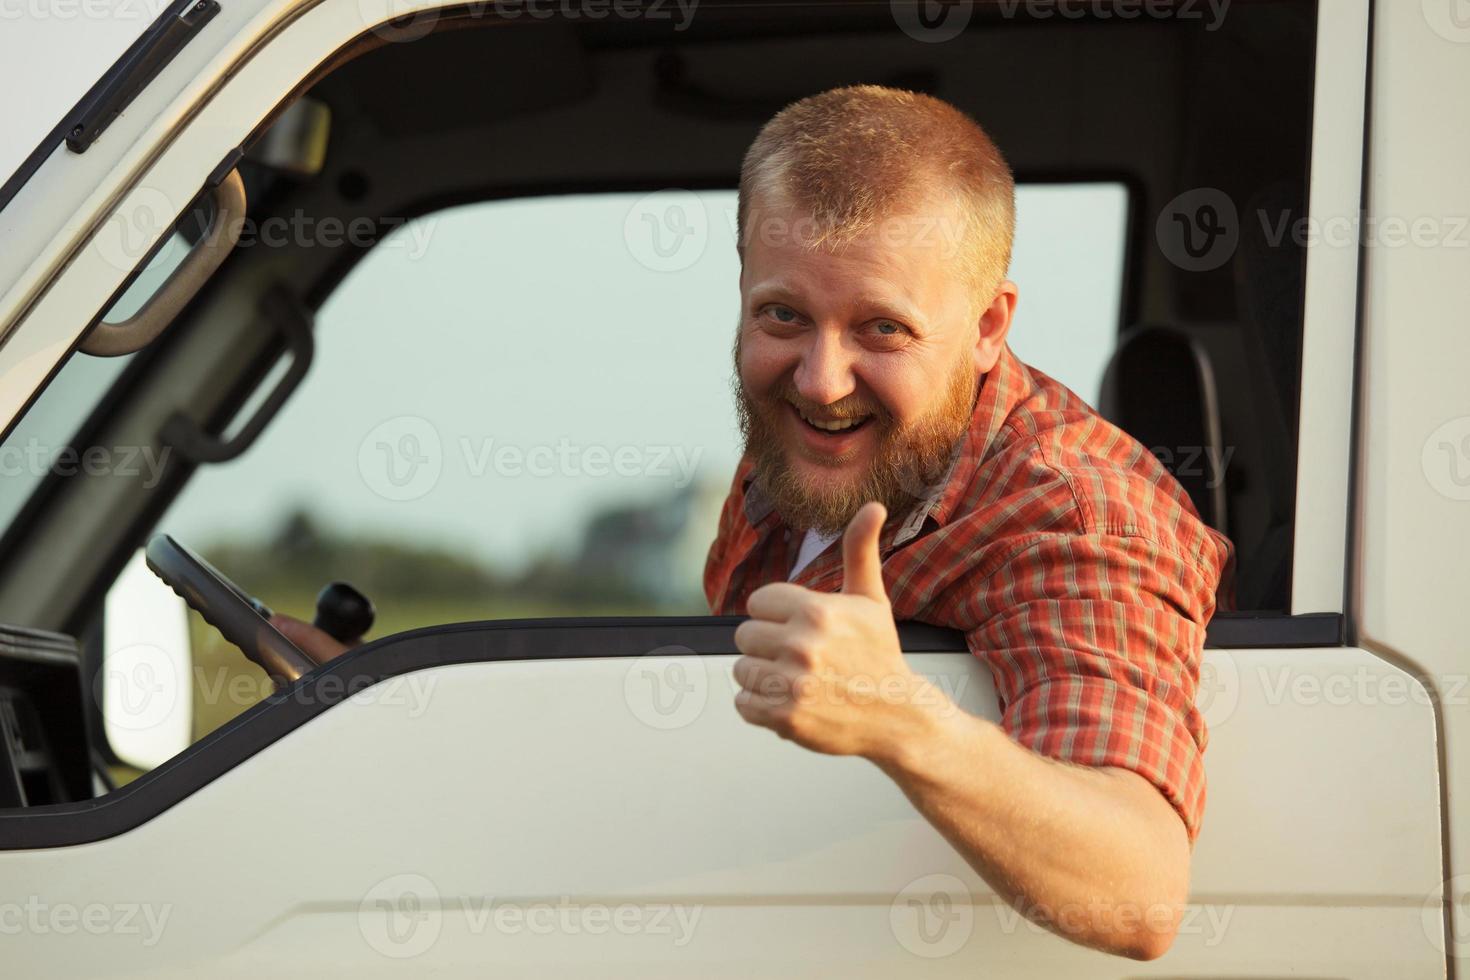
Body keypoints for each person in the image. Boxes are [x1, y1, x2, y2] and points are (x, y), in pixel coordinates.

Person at [276, 85, 1234, 961]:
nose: (820, 381)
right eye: (782, 316)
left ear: (991, 325)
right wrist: (388, 720)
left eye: (881, 329)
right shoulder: (808, 452)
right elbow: (704, 749)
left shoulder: (1076, 514)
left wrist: (901, 719)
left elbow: (1138, 889)